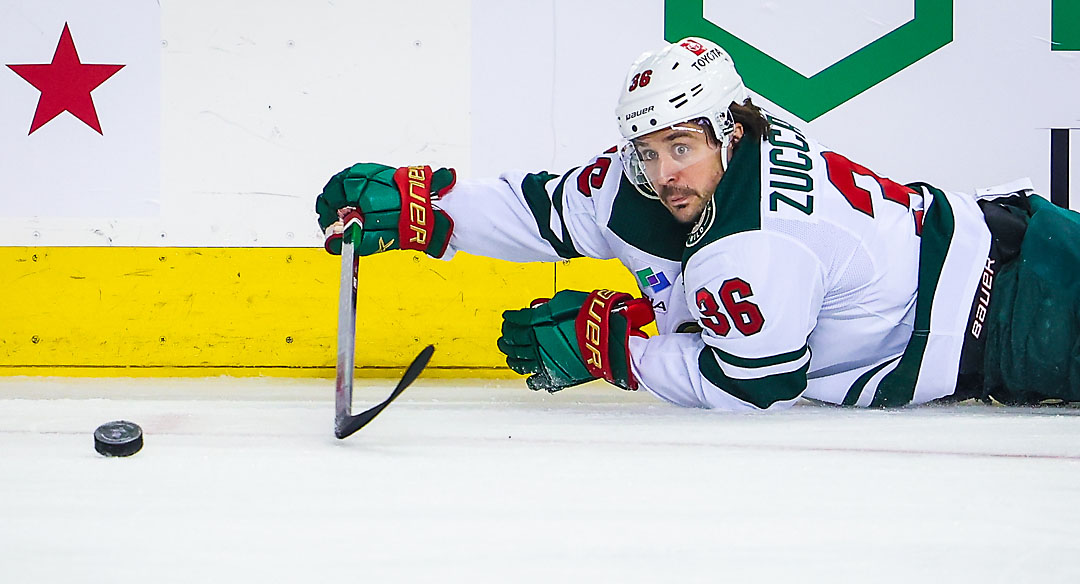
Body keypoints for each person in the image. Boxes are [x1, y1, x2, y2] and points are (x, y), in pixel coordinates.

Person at [315, 36, 1080, 411]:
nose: (664, 172)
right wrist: (425, 209)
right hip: (1020, 243)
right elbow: (544, 209)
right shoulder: (686, 161)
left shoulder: (758, 242)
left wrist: (619, 351)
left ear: (729, 130)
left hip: (1025, 321)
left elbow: (753, 386)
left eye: (681, 147)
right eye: (646, 151)